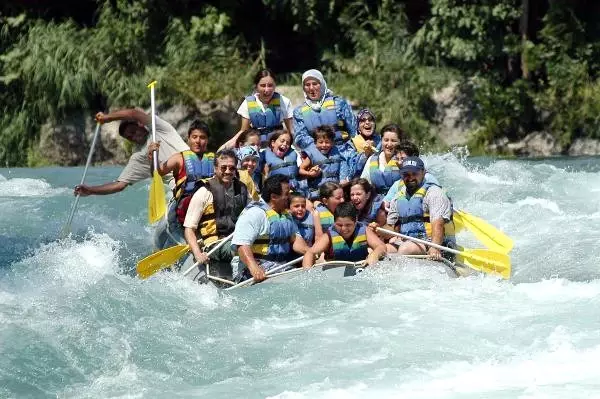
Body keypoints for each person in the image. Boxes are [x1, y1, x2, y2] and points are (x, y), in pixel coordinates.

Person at [73, 108, 188, 196]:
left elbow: (134, 114)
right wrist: (90, 190)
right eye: (129, 137)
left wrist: (108, 118)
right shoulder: (138, 157)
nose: (133, 137)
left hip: (194, 165)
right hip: (177, 184)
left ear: (140, 125)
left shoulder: (159, 128)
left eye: (133, 131)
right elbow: (119, 185)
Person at [182, 150, 250, 278]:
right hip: (214, 244)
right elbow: (189, 229)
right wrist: (197, 254)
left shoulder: (242, 189)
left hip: (237, 239)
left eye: (232, 168)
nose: (228, 171)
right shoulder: (203, 192)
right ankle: (241, 273)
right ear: (215, 168)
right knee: (239, 247)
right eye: (223, 167)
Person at [231, 174, 310, 282]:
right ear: (274, 197)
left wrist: (311, 252)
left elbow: (296, 241)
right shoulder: (254, 213)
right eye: (287, 194)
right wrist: (254, 267)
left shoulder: (286, 215)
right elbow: (241, 245)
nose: (290, 197)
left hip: (279, 266)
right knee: (294, 280)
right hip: (250, 268)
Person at [149, 120, 215, 249]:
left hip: (204, 212)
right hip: (181, 214)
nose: (198, 141)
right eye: (194, 137)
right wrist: (152, 157)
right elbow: (157, 173)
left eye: (202, 137)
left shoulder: (214, 160)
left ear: (207, 140)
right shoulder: (179, 158)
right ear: (188, 139)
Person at [375, 157, 455, 260]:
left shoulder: (434, 193)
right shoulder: (398, 196)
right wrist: (379, 229)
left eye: (414, 173)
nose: (410, 178)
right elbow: (391, 227)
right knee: (381, 250)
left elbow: (438, 224)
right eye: (406, 175)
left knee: (405, 249)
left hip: (434, 242)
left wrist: (435, 248)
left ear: (423, 172)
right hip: (407, 241)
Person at [293, 69, 356, 160]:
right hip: (316, 154)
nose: (311, 88)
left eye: (315, 84)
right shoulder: (299, 112)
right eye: (307, 85)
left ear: (322, 84)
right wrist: (320, 146)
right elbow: (300, 137)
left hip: (343, 151)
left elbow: (353, 128)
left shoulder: (339, 103)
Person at [223, 69, 294, 149]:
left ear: (275, 86)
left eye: (270, 85)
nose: (267, 90)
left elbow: (291, 130)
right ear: (256, 86)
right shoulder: (248, 103)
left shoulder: (283, 101)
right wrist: (224, 147)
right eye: (263, 85)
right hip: (256, 146)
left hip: (278, 147)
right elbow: (243, 131)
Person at [303, 202, 386, 268]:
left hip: (361, 270)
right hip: (335, 276)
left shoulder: (364, 230)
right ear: (334, 222)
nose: (343, 229)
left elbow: (381, 246)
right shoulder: (328, 236)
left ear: (356, 221)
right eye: (339, 225)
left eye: (348, 225)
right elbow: (310, 253)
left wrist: (375, 254)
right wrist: (308, 274)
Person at [383, 141, 441, 208]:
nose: (399, 162)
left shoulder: (428, 179)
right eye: (397, 159)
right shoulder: (397, 184)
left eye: (403, 159)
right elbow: (386, 201)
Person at [299, 125, 349, 200]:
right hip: (318, 192)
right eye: (321, 142)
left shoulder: (337, 152)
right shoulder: (311, 154)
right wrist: (310, 174)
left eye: (327, 142)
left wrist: (344, 179)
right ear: (315, 143)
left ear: (332, 143)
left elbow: (343, 166)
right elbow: (300, 170)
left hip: (334, 191)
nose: (324, 145)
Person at [360, 124, 405, 195]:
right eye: (386, 140)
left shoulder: (405, 159)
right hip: (376, 201)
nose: (389, 144)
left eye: (393, 141)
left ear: (400, 142)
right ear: (381, 140)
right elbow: (363, 184)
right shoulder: (372, 159)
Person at [344, 109, 381, 179]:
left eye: (370, 120)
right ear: (358, 127)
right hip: (359, 183)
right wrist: (365, 154)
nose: (367, 122)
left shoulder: (382, 141)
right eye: (362, 120)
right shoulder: (351, 144)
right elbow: (351, 171)